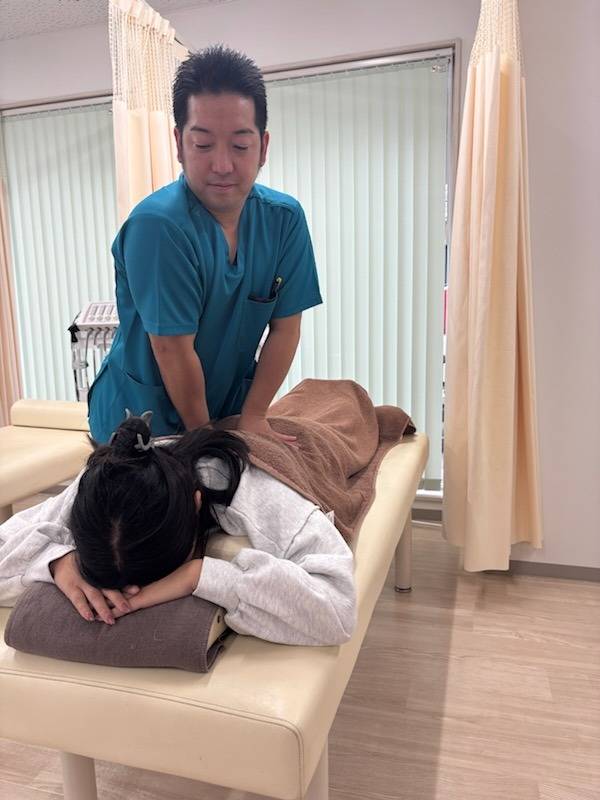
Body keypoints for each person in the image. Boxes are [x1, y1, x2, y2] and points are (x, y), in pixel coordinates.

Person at [88, 45, 322, 443]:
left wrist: (254, 416)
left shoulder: (284, 220)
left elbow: (286, 329)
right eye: (203, 145)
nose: (223, 166)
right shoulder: (157, 226)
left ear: (263, 147)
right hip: (138, 422)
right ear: (179, 144)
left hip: (225, 409)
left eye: (240, 146)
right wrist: (206, 443)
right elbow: (172, 350)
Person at [0, 415, 356, 646]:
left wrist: (199, 575)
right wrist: (58, 562)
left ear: (197, 503)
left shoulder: (253, 493)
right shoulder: (96, 489)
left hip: (312, 434)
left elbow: (337, 612)